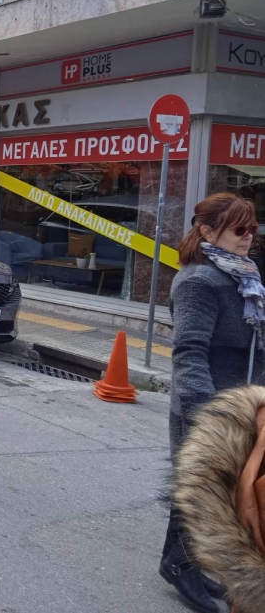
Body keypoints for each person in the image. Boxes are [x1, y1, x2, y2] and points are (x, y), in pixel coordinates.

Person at [159, 192, 265, 613]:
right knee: (204, 490)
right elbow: (188, 353)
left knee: (218, 490)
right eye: (239, 229)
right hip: (211, 411)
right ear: (207, 230)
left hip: (246, 409)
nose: (248, 237)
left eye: (253, 228)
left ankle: (179, 562)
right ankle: (181, 566)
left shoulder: (245, 278)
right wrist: (206, 418)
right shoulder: (199, 282)